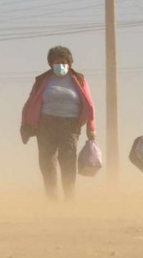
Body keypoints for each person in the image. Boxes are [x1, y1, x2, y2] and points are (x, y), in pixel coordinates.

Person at [20, 46, 96, 201]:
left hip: (70, 125)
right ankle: (52, 199)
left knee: (68, 160)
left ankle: (69, 197)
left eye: (64, 62)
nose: (61, 66)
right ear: (51, 63)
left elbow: (89, 104)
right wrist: (26, 124)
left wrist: (91, 128)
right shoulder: (42, 80)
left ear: (70, 63)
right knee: (47, 161)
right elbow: (31, 103)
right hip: (45, 124)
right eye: (57, 62)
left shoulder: (79, 79)